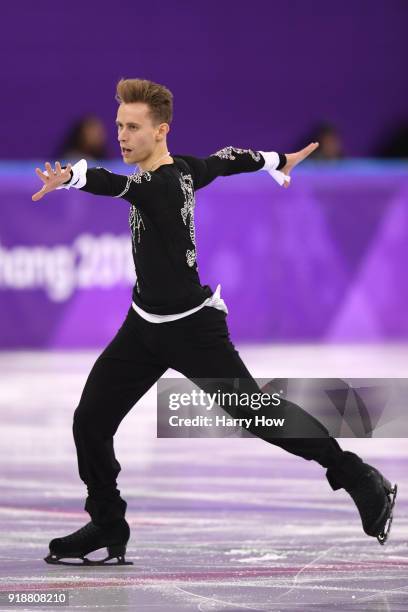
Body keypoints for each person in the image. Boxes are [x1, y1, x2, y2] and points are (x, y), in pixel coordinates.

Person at [32, 79, 397, 566]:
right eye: (119, 125)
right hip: (143, 327)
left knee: (258, 414)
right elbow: (225, 160)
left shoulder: (158, 184)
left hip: (191, 332)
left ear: (160, 131)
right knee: (90, 422)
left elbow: (116, 184)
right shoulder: (184, 169)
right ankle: (107, 521)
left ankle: (357, 476)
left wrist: (75, 177)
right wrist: (274, 161)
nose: (121, 135)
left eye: (133, 127)